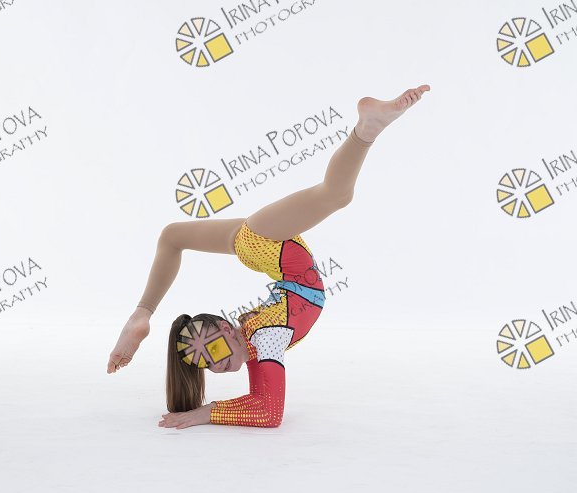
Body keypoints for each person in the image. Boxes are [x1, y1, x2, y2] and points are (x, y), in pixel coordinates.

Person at [106, 84, 431, 429]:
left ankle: (368, 126)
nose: (217, 366)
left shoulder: (266, 336)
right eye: (205, 364)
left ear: (227, 329)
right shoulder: (254, 344)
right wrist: (201, 409)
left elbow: (269, 414)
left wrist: (206, 413)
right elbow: (261, 400)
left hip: (265, 243)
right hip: (261, 250)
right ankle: (140, 316)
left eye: (215, 351)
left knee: (336, 194)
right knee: (172, 236)